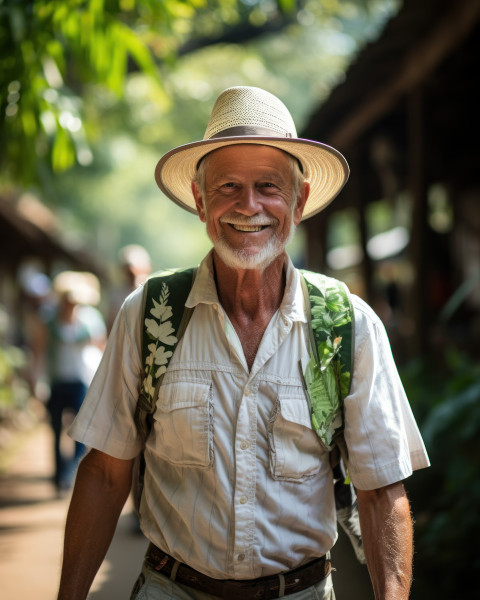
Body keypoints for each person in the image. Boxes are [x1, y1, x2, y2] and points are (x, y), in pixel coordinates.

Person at [56, 86, 430, 600]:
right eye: (227, 185)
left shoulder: (346, 324)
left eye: (268, 186)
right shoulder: (150, 314)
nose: (247, 206)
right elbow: (103, 474)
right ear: (200, 199)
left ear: (298, 201)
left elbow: (381, 487)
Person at [42, 271, 107, 493]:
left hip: (82, 380)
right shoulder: (50, 319)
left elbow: (102, 346)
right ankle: (60, 475)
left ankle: (73, 473)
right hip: (57, 380)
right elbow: (40, 349)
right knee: (55, 429)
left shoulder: (90, 319)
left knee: (81, 431)